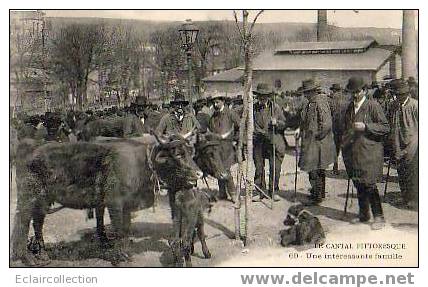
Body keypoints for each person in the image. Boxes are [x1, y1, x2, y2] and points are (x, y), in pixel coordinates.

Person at [342, 76, 390, 230]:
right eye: (352, 92)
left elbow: (385, 127)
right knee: (358, 182)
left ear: (364, 90)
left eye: (358, 92)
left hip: (369, 152)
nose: (355, 95)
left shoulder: (372, 105)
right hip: (354, 152)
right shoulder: (350, 107)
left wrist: (366, 126)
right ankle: (364, 214)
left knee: (369, 184)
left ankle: (379, 217)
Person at [298, 79, 336, 205]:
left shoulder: (320, 102)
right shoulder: (310, 103)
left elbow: (327, 124)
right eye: (305, 93)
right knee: (315, 169)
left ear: (313, 91)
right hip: (311, 142)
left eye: (307, 92)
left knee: (315, 169)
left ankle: (317, 196)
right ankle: (318, 193)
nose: (305, 95)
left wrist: (318, 136)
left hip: (317, 143)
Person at [253, 83, 287, 201]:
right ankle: (260, 191)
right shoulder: (253, 108)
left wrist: (276, 123)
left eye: (265, 95)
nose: (262, 98)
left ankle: (273, 191)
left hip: (273, 140)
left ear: (268, 96)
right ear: (257, 96)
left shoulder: (275, 107)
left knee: (275, 167)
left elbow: (284, 123)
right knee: (258, 167)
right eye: (260, 96)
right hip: (258, 141)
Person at [205, 93, 240, 202]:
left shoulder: (230, 113)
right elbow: (210, 129)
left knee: (225, 170)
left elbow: (240, 126)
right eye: (214, 102)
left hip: (227, 147)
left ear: (223, 101)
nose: (215, 104)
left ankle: (233, 193)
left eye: (217, 102)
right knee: (218, 169)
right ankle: (222, 192)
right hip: (216, 147)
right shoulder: (214, 116)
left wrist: (236, 139)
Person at [390, 79, 418, 209]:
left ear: (407, 93)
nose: (399, 97)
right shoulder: (394, 105)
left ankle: (414, 199)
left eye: (402, 94)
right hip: (397, 142)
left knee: (412, 173)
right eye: (397, 94)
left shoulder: (415, 105)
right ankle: (405, 197)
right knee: (401, 172)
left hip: (413, 144)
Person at [328, 83, 352, 173]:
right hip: (346, 126)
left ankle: (335, 167)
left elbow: (330, 113)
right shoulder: (348, 98)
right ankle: (349, 169)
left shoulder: (332, 99)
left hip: (336, 126)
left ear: (334, 90)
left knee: (336, 147)